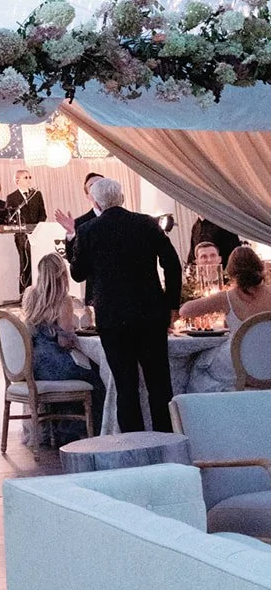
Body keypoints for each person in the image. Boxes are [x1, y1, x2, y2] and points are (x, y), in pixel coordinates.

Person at [63, 176, 182, 432]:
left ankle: (134, 446)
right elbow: (172, 263)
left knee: (126, 387)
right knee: (159, 385)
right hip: (151, 314)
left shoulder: (89, 230)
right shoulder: (147, 224)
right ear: (123, 198)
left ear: (95, 201)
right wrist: (171, 304)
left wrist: (72, 240)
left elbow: (77, 273)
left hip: (113, 318)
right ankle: (167, 441)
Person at [22, 253, 105, 440]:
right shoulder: (63, 300)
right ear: (62, 274)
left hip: (36, 365)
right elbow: (64, 340)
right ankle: (94, 432)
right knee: (99, 376)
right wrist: (76, 334)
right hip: (55, 363)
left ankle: (59, 428)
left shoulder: (31, 295)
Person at [179, 245, 271, 392]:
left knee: (199, 367)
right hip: (268, 363)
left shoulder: (227, 297)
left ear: (231, 272)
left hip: (242, 365)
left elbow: (184, 311)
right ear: (260, 268)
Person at [6, 168, 47, 293]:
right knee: (25, 262)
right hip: (21, 235)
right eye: (25, 177)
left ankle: (38, 291)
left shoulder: (36, 194)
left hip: (36, 234)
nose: (29, 180)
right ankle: (24, 292)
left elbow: (43, 214)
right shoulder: (12, 197)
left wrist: (37, 228)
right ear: (17, 180)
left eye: (30, 177)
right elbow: (9, 217)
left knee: (37, 262)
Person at [57, 172, 103, 268]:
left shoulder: (124, 217)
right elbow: (73, 259)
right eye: (92, 186)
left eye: (101, 183)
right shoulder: (80, 223)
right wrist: (71, 232)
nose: (97, 188)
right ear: (88, 196)